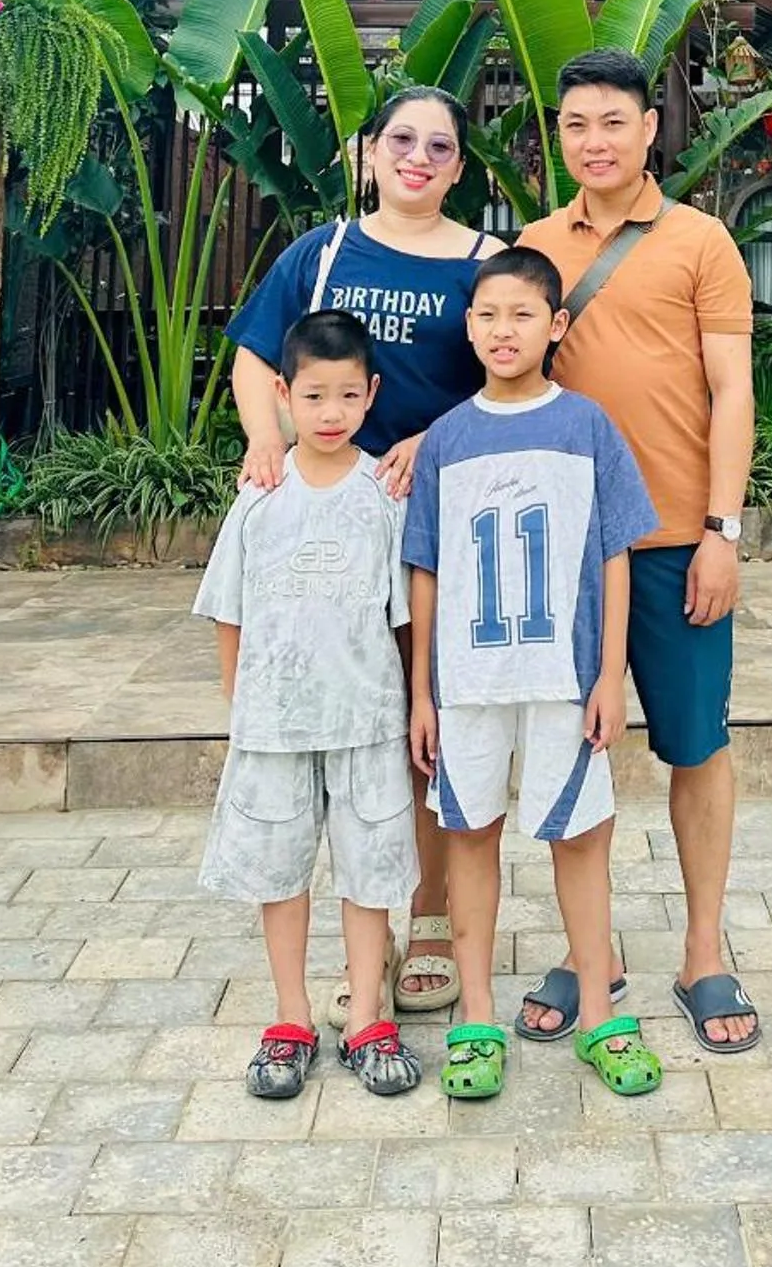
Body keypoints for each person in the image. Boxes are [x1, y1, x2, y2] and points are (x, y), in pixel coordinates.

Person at [226, 84, 492, 1019]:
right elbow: (257, 358)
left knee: (429, 730)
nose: (420, 157)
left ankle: (425, 921)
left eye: (441, 146)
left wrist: (441, 436)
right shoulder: (323, 251)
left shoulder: (483, 262)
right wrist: (267, 440)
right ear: (370, 151)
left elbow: (518, 370)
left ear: (460, 166)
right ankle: (353, 954)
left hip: (441, 524)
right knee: (364, 722)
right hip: (333, 523)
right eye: (403, 140)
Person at [519, 45, 762, 1054]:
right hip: (566, 553)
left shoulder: (701, 241)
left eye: (613, 121)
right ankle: (591, 951)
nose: (595, 141)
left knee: (697, 746)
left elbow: (734, 390)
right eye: (577, 125)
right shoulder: (534, 246)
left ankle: (705, 950)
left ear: (650, 130)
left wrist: (722, 530)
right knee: (579, 750)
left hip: (674, 543)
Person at [404, 248, 664, 1103]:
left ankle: (601, 1016)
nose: (502, 330)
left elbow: (616, 556)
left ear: (555, 326)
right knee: (470, 838)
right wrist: (422, 693)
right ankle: (476, 1019)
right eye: (487, 315)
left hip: (564, 677)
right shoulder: (446, 439)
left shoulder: (586, 426)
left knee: (580, 843)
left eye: (521, 315)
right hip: (468, 685)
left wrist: (609, 675)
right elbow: (427, 572)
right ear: (469, 326)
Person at [193, 308, 422, 1103]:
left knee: (368, 874)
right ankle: (290, 1017)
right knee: (279, 870)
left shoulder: (385, 496)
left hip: (365, 720)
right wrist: (240, 702)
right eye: (314, 396)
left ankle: (366, 1016)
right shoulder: (260, 495)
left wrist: (412, 704)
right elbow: (230, 610)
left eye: (347, 397)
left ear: (371, 397)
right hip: (276, 725)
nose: (330, 414)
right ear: (283, 393)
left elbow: (404, 619)